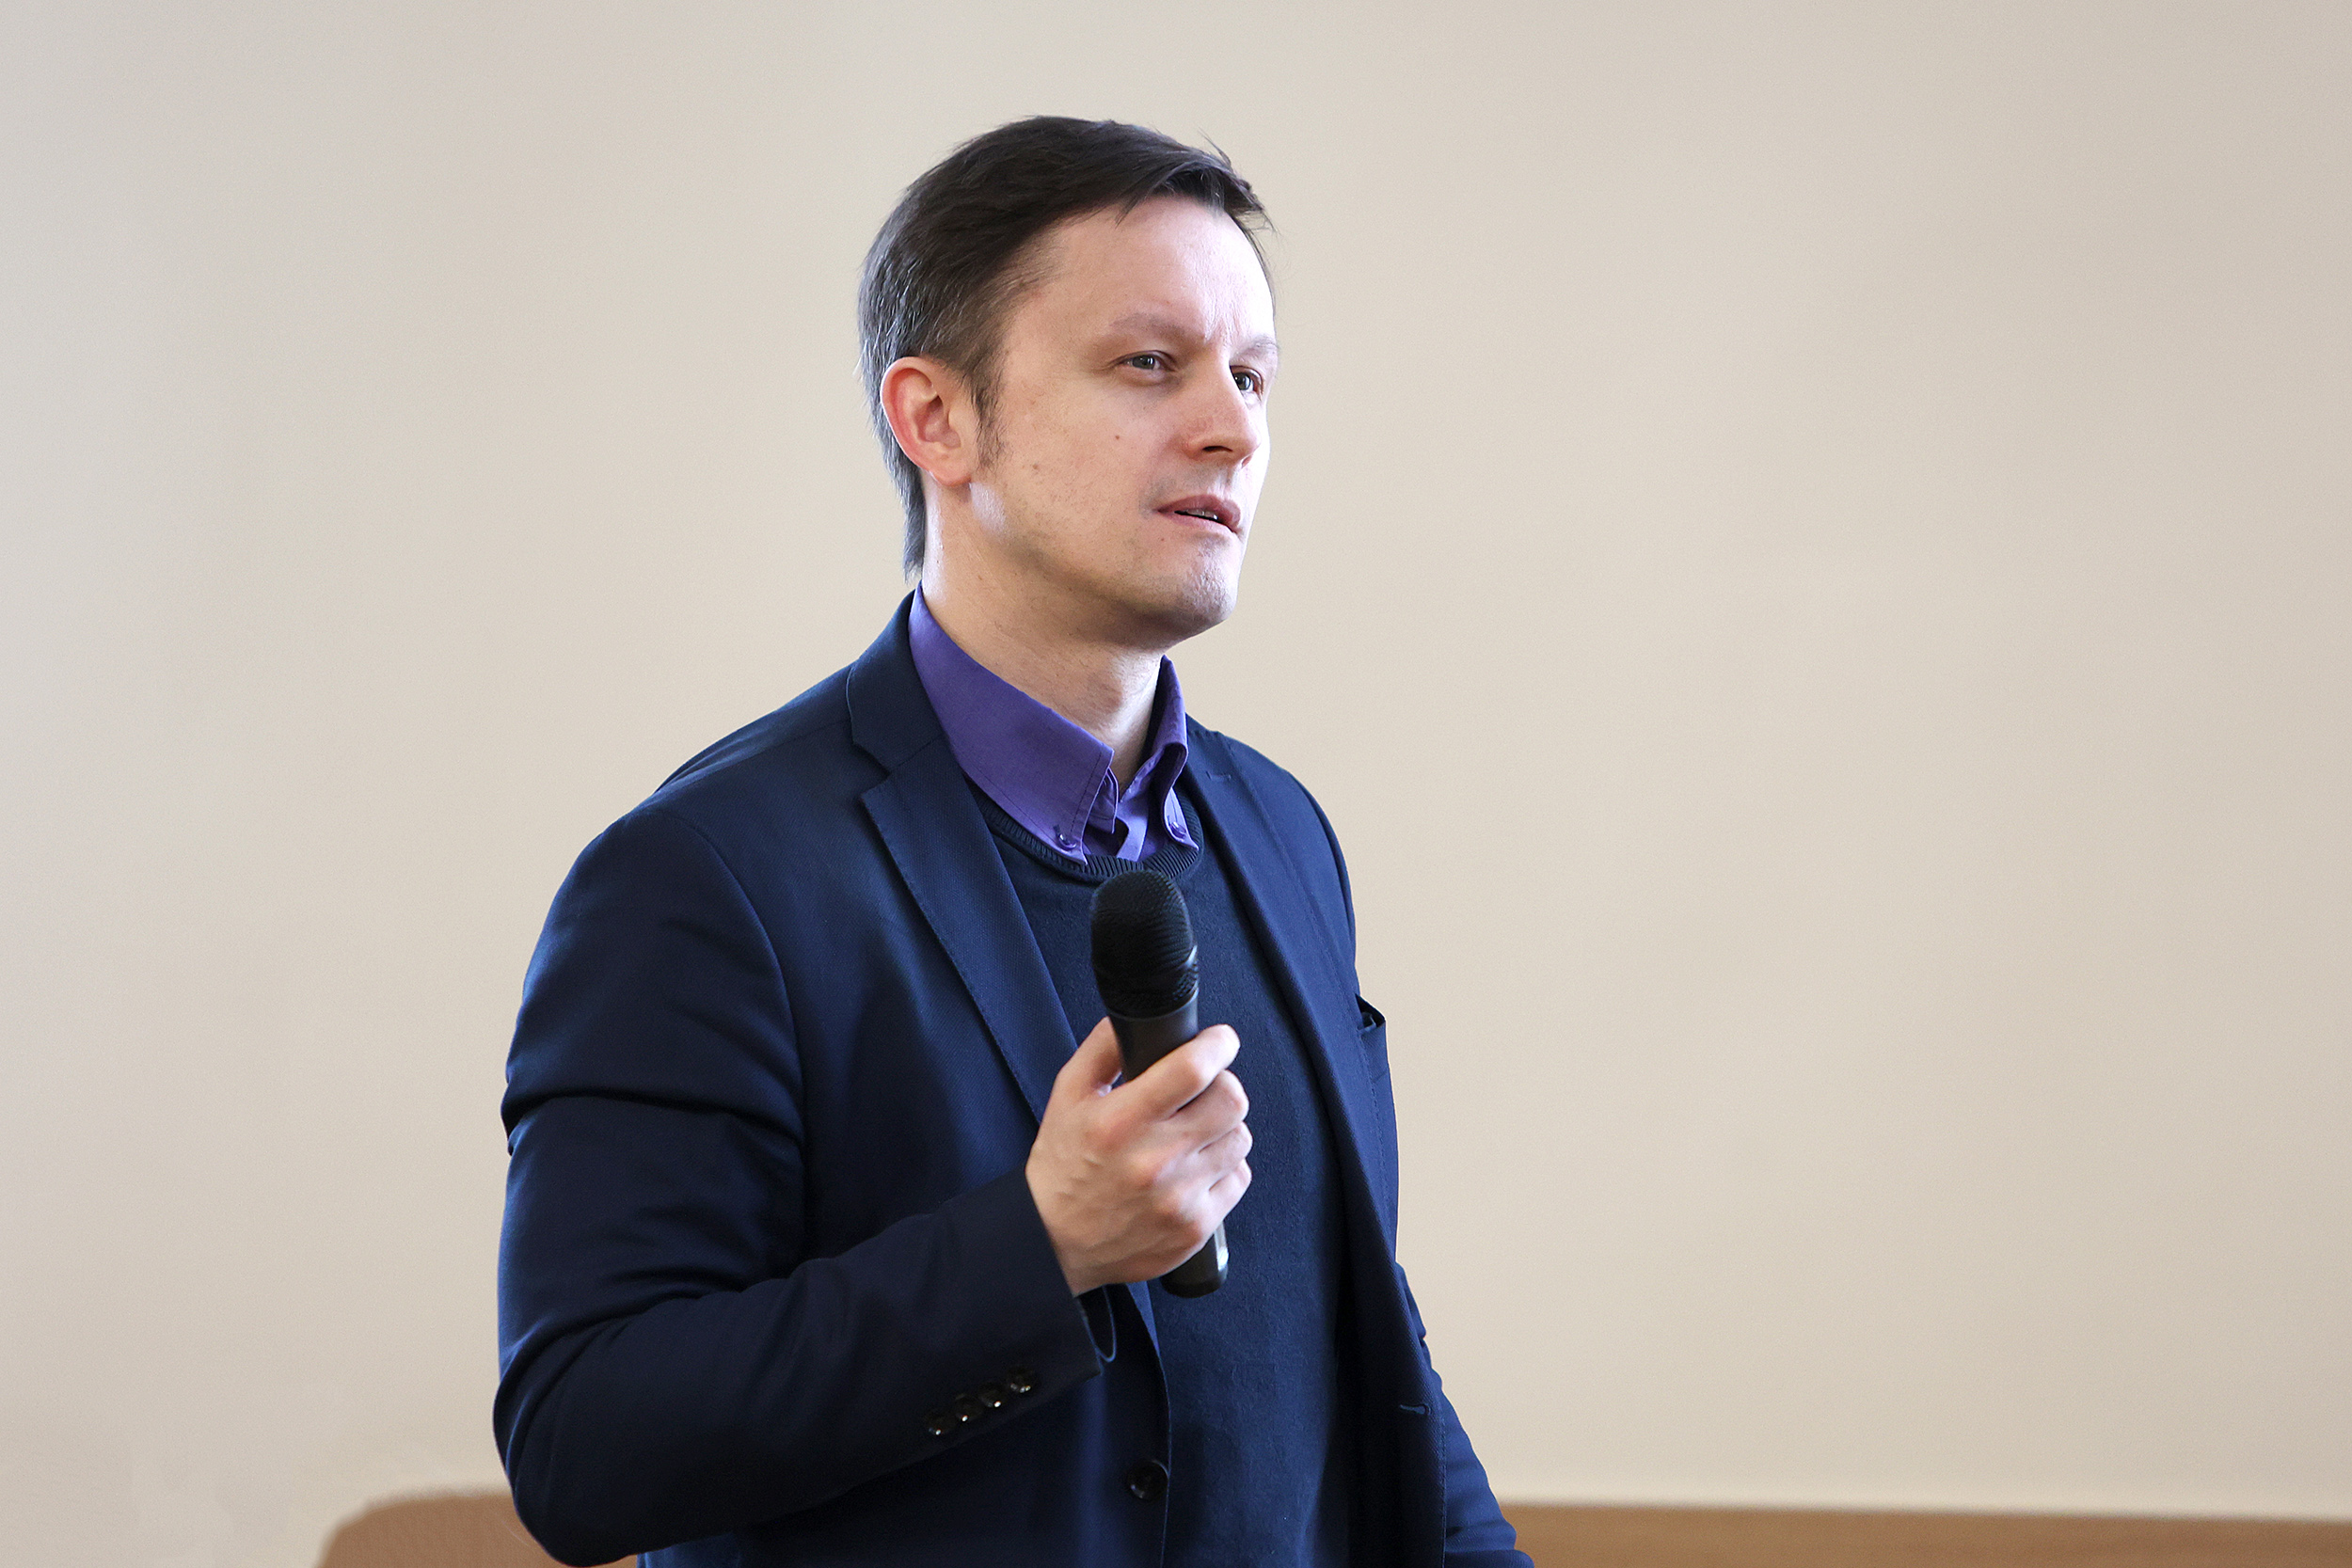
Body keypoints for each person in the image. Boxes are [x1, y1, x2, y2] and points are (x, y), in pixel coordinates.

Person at [494, 116, 1529, 1568]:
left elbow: (1358, 1351)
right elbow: (584, 1443)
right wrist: (1039, 1248)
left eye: (1251, 375)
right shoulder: (705, 880)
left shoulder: (1282, 831)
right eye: (1149, 364)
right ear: (938, 418)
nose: (1232, 428)